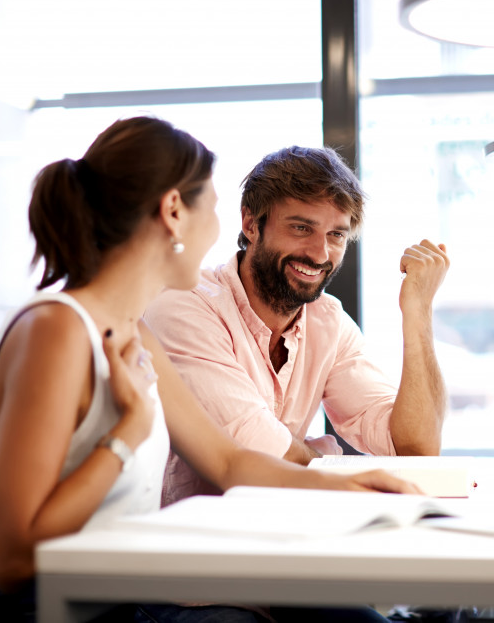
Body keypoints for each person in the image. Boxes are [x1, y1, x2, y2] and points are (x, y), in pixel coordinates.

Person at [0, 117, 417, 623]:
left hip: (109, 590)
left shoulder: (133, 333)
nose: (218, 231)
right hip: (33, 604)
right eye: (211, 208)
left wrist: (351, 485)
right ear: (173, 212)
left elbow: (230, 462)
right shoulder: (56, 332)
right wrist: (128, 433)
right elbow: (10, 559)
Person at [143, 145, 450, 504]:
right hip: (185, 544)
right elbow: (257, 450)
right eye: (302, 227)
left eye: (336, 235)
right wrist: (326, 461)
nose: (320, 254)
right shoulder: (186, 305)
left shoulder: (329, 322)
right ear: (250, 224)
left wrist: (418, 312)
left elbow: (416, 448)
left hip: (277, 536)